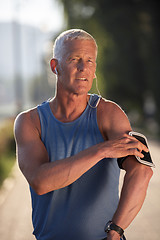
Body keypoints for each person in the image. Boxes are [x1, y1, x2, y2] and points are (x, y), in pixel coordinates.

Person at [14, 29, 153, 240]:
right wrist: (102, 150)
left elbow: (142, 172)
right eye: (74, 59)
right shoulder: (29, 122)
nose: (83, 67)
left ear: (95, 68)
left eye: (90, 60)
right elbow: (40, 182)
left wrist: (116, 232)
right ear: (55, 66)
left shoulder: (109, 114)